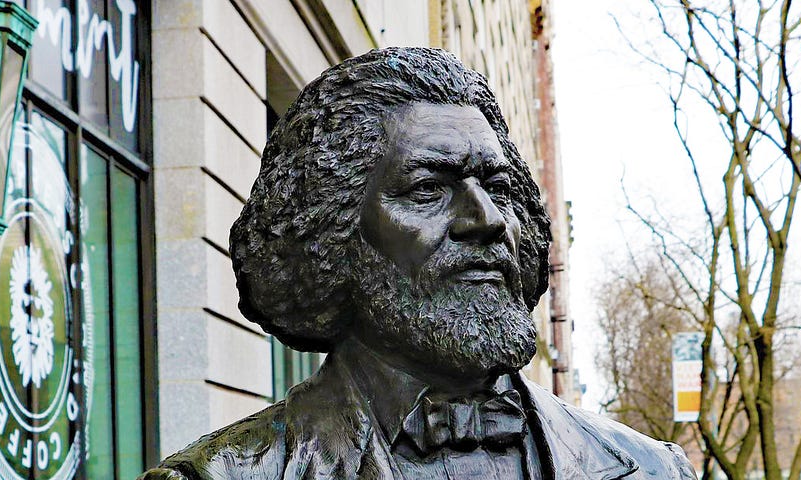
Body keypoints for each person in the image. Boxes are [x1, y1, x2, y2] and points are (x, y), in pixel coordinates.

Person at [141, 47, 696, 480]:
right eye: (429, 188)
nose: (489, 220)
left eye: (497, 187)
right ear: (333, 232)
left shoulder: (654, 470)